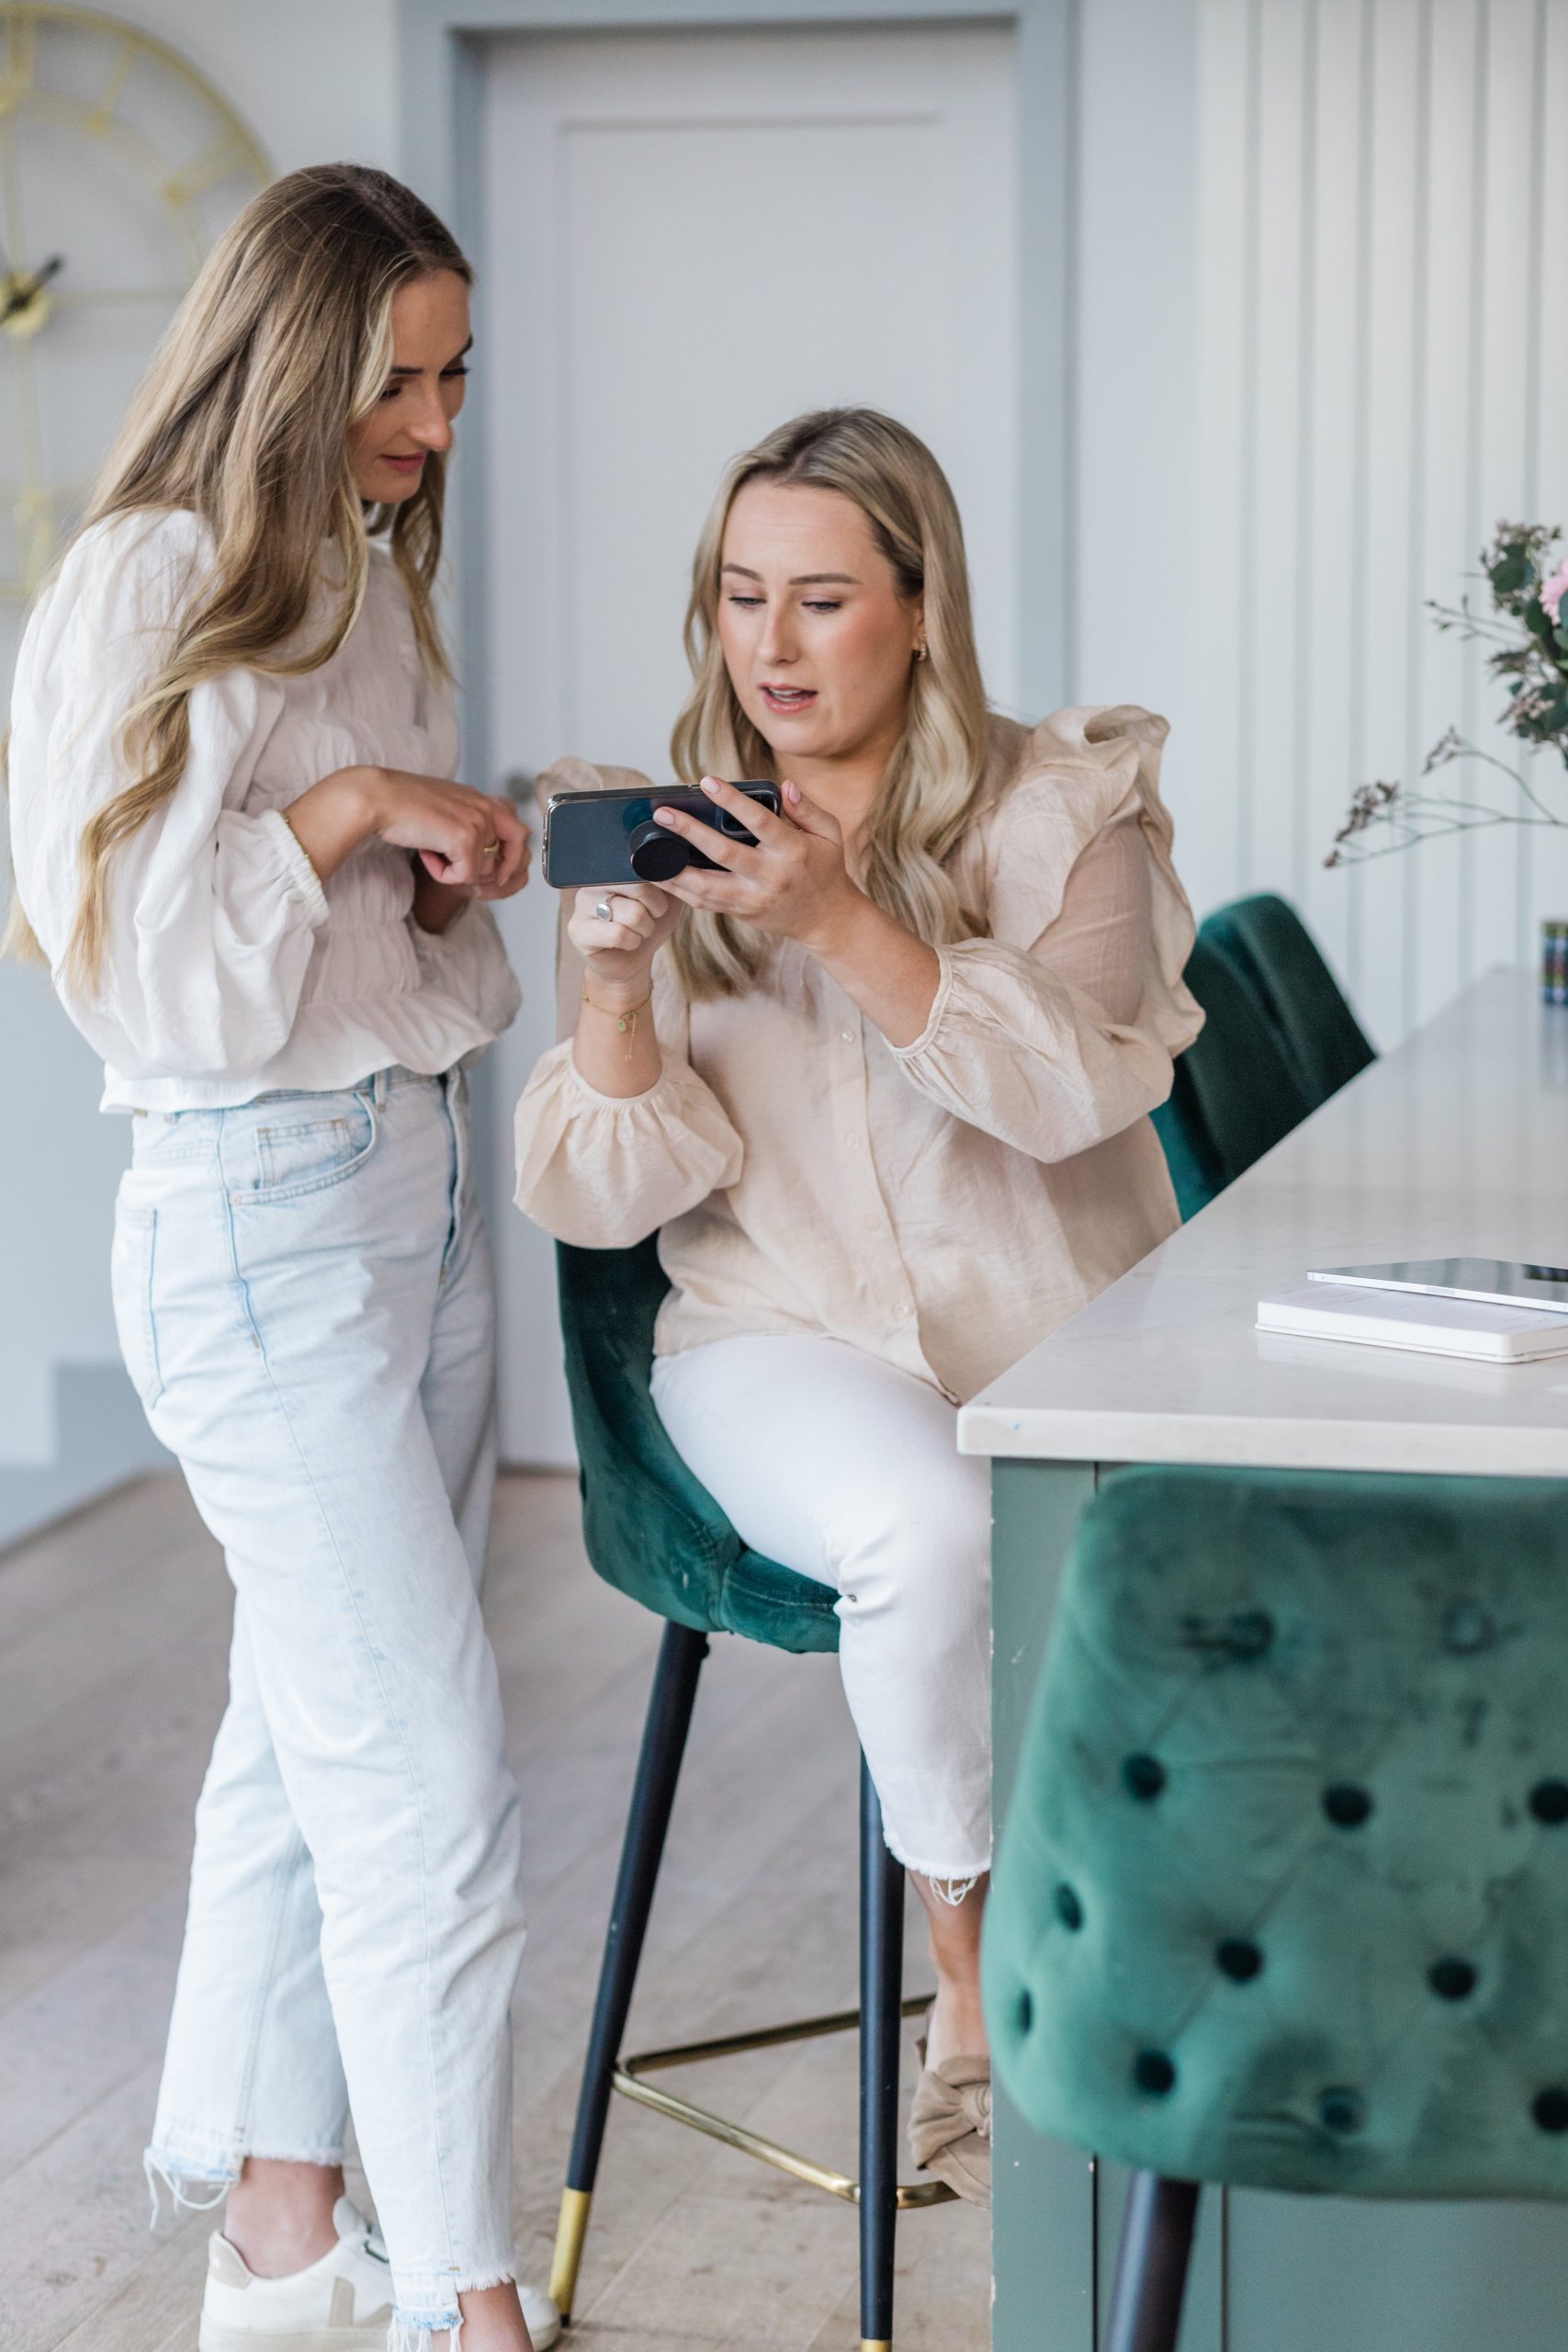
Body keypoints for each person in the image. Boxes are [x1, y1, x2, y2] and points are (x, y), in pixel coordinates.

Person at [513, 406, 1202, 2206]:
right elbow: (609, 1191)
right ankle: (972, 1983)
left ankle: (1224, 1997)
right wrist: (612, 994)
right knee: (927, 1523)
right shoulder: (674, 832)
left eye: (820, 599)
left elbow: (1076, 1095)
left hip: (1058, 1329)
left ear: (919, 606)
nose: (773, 643)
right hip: (780, 1333)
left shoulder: (1061, 814)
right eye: (742, 595)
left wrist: (838, 918)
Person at [7, 165, 557, 2352]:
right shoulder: (148, 579)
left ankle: (280, 2242)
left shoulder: (360, 576)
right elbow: (133, 971)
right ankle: (466, 2306)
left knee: (305, 1737)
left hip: (412, 1184)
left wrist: (437, 861)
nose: (432, 422)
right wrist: (349, 813)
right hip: (258, 1228)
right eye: (395, 378)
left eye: (453, 376)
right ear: (285, 361)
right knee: (426, 1784)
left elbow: (334, 942)